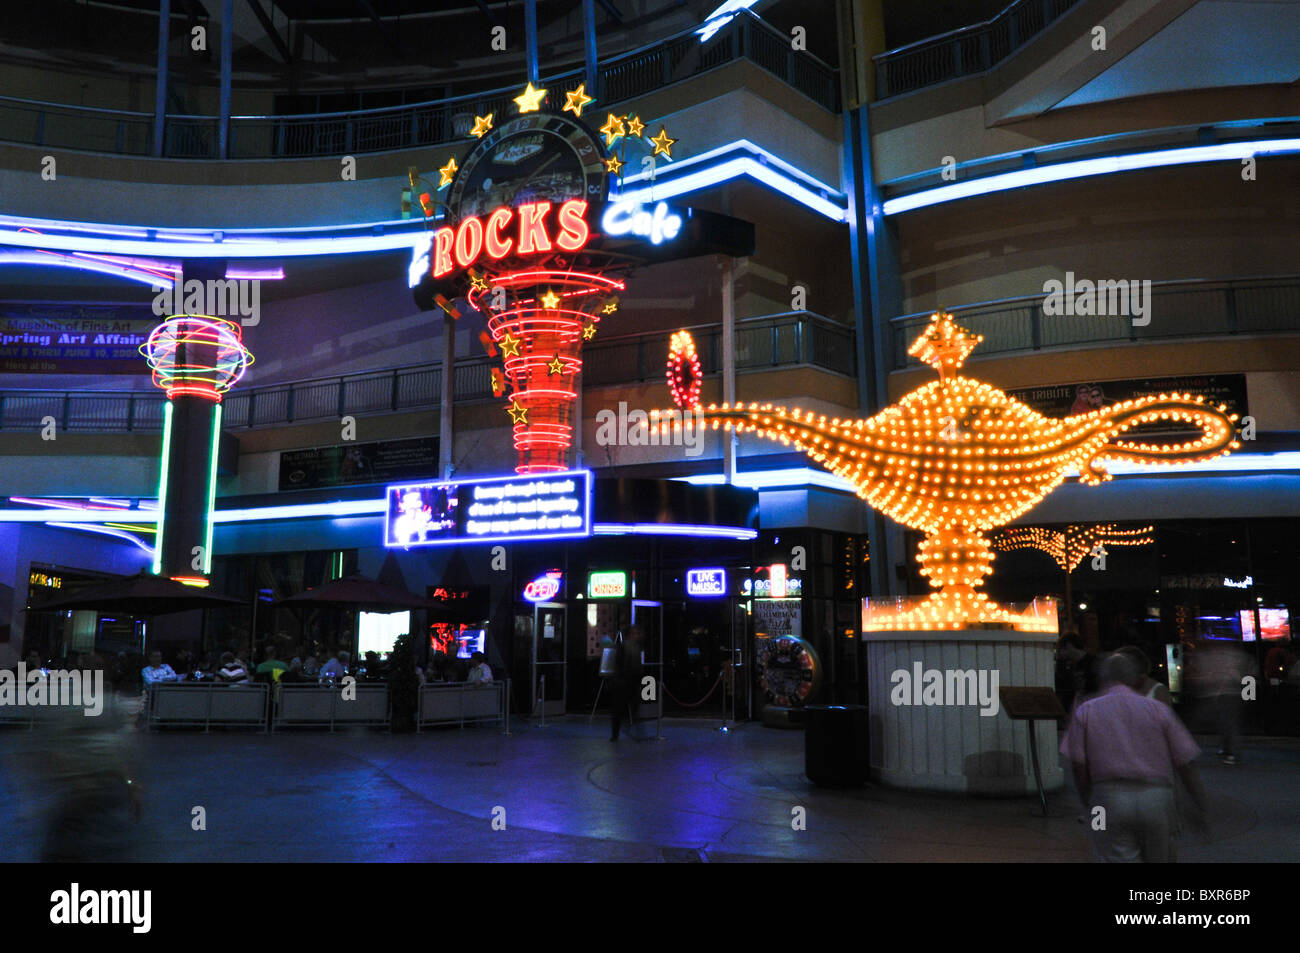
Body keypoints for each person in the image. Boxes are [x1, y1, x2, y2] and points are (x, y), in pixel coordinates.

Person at [1060, 651, 1208, 862]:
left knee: (1113, 853)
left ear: (1103, 677)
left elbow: (1078, 765)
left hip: (1108, 796)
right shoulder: (1158, 710)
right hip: (1157, 797)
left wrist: (1089, 801)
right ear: (1134, 678)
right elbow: (1186, 762)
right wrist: (1197, 804)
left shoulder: (1087, 710)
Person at [609, 627, 644, 741]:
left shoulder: (629, 646)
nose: (637, 636)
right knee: (623, 709)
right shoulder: (633, 647)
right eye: (635, 633)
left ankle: (617, 734)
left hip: (627, 681)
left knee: (622, 709)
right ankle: (619, 733)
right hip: (625, 682)